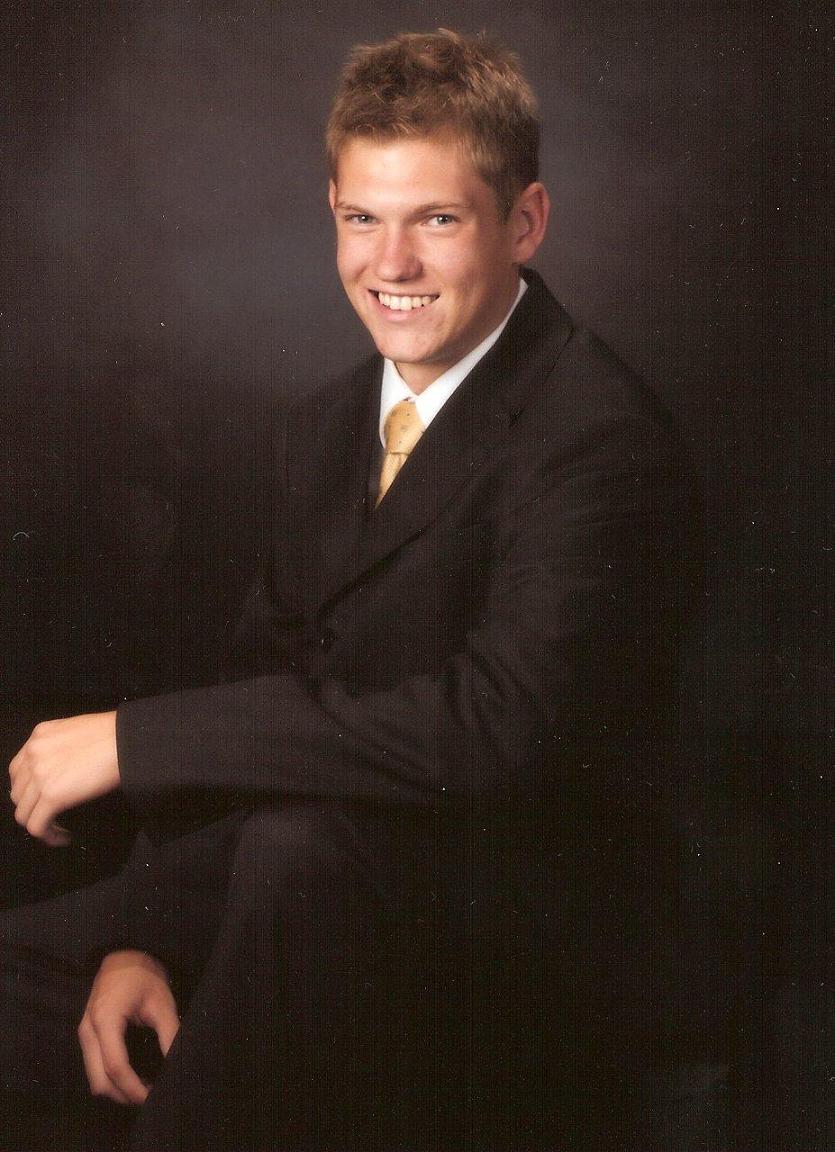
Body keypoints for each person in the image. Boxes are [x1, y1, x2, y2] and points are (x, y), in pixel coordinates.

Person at [1, 29, 678, 1151]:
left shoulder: (598, 438)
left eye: (437, 220)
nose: (390, 263)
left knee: (291, 864)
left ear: (525, 222)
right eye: (362, 218)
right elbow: (263, 686)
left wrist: (136, 741)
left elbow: (492, 731)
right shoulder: (321, 428)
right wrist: (147, 937)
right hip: (284, 892)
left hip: (500, 957)